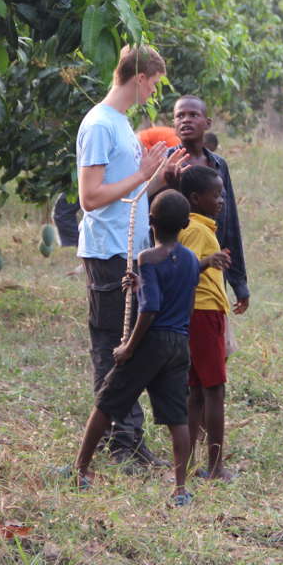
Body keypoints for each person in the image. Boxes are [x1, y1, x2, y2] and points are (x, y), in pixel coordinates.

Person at [76, 44, 185, 467]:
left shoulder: (119, 124)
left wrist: (155, 177)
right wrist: (142, 174)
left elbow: (130, 193)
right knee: (112, 346)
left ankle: (124, 438)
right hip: (107, 251)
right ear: (140, 78)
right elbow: (90, 197)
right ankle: (123, 441)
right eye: (153, 84)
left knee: (127, 343)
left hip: (129, 250)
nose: (152, 93)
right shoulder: (100, 125)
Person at [70, 190, 208, 506]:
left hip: (151, 341)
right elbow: (180, 297)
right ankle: (180, 488)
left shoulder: (146, 258)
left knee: (107, 401)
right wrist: (140, 284)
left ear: (151, 222)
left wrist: (129, 347)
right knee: (177, 418)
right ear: (186, 224)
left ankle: (80, 470)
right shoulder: (190, 260)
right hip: (179, 343)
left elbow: (150, 309)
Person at [174, 165, 238, 481]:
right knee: (214, 390)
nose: (222, 200)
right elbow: (182, 269)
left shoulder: (195, 227)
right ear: (196, 198)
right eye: (216, 194)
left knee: (196, 391)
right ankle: (215, 467)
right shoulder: (198, 231)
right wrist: (207, 262)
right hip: (204, 312)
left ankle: (186, 462)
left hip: (195, 314)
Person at [165, 96, 250, 313]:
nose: (186, 120)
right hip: (175, 267)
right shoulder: (167, 164)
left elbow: (229, 222)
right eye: (180, 116)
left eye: (193, 115)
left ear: (208, 123)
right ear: (174, 124)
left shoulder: (218, 165)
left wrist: (239, 282)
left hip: (213, 266)